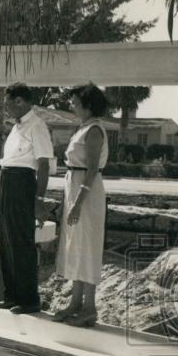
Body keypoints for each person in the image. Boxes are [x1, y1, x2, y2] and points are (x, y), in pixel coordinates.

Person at [0, 83, 54, 314]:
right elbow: (9, 162)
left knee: (22, 243)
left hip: (22, 183)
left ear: (20, 101)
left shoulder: (37, 126)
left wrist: (39, 199)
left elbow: (44, 165)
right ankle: (11, 296)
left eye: (8, 104)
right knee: (6, 242)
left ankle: (29, 300)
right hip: (7, 181)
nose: (6, 109)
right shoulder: (17, 127)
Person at [52, 84, 110, 328]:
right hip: (75, 186)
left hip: (86, 191)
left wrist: (77, 203)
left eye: (75, 102)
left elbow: (93, 169)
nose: (71, 105)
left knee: (87, 247)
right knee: (75, 246)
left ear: (88, 104)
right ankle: (75, 303)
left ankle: (89, 308)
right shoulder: (83, 128)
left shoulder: (94, 130)